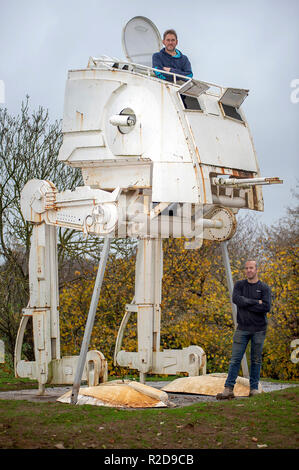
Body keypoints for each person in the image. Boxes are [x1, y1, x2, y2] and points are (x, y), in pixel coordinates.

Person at [216, 260, 271, 400]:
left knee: (256, 360)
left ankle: (254, 389)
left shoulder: (264, 287)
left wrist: (246, 303)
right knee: (235, 359)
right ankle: (228, 389)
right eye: (246, 268)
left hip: (259, 329)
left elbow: (266, 307)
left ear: (256, 270)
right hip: (242, 328)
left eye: (251, 268)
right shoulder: (240, 285)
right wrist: (255, 302)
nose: (249, 270)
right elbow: (236, 300)